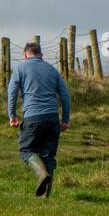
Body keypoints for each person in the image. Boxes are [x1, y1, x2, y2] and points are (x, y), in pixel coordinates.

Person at [7, 41, 71, 197]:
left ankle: (42, 175)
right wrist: (65, 119)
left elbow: (12, 92)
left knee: (26, 150)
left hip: (32, 117)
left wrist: (12, 115)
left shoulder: (20, 68)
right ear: (41, 55)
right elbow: (65, 96)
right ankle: (44, 199)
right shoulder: (53, 71)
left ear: (25, 55)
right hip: (52, 118)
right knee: (49, 157)